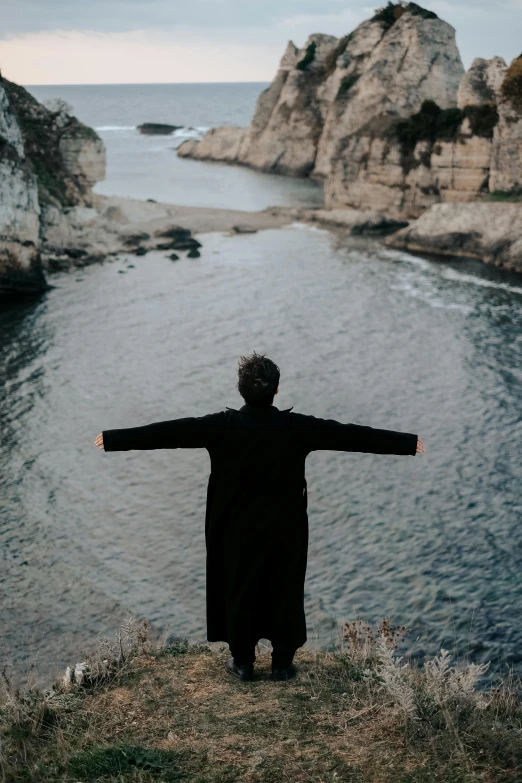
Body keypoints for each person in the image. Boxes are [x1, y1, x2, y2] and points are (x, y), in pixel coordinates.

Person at [95, 352, 424, 683]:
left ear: (240, 390)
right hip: (286, 529)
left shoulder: (221, 426)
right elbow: (351, 436)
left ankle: (243, 664)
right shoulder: (296, 428)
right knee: (285, 589)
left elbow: (169, 433)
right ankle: (282, 665)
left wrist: (114, 439)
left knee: (238, 589)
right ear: (277, 391)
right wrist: (406, 443)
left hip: (234, 529)